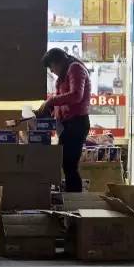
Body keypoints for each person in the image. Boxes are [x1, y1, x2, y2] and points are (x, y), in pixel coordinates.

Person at [37, 48, 91, 192]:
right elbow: (62, 101)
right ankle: (71, 196)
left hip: (76, 123)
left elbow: (76, 95)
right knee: (66, 164)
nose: (52, 71)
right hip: (67, 124)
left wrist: (51, 101)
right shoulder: (64, 74)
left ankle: (75, 199)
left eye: (51, 67)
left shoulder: (75, 68)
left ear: (58, 62)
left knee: (70, 165)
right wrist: (49, 111)